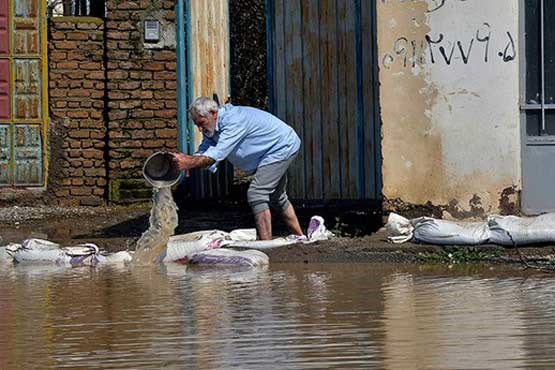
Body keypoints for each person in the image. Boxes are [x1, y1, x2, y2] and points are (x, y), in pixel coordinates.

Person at [173, 96, 304, 240]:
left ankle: (266, 246)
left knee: (257, 194)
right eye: (197, 125)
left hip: (280, 147)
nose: (199, 129)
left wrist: (189, 162)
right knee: (277, 197)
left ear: (213, 113)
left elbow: (215, 155)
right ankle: (301, 237)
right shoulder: (212, 127)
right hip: (269, 152)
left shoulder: (234, 121)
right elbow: (205, 149)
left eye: (201, 123)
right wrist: (187, 160)